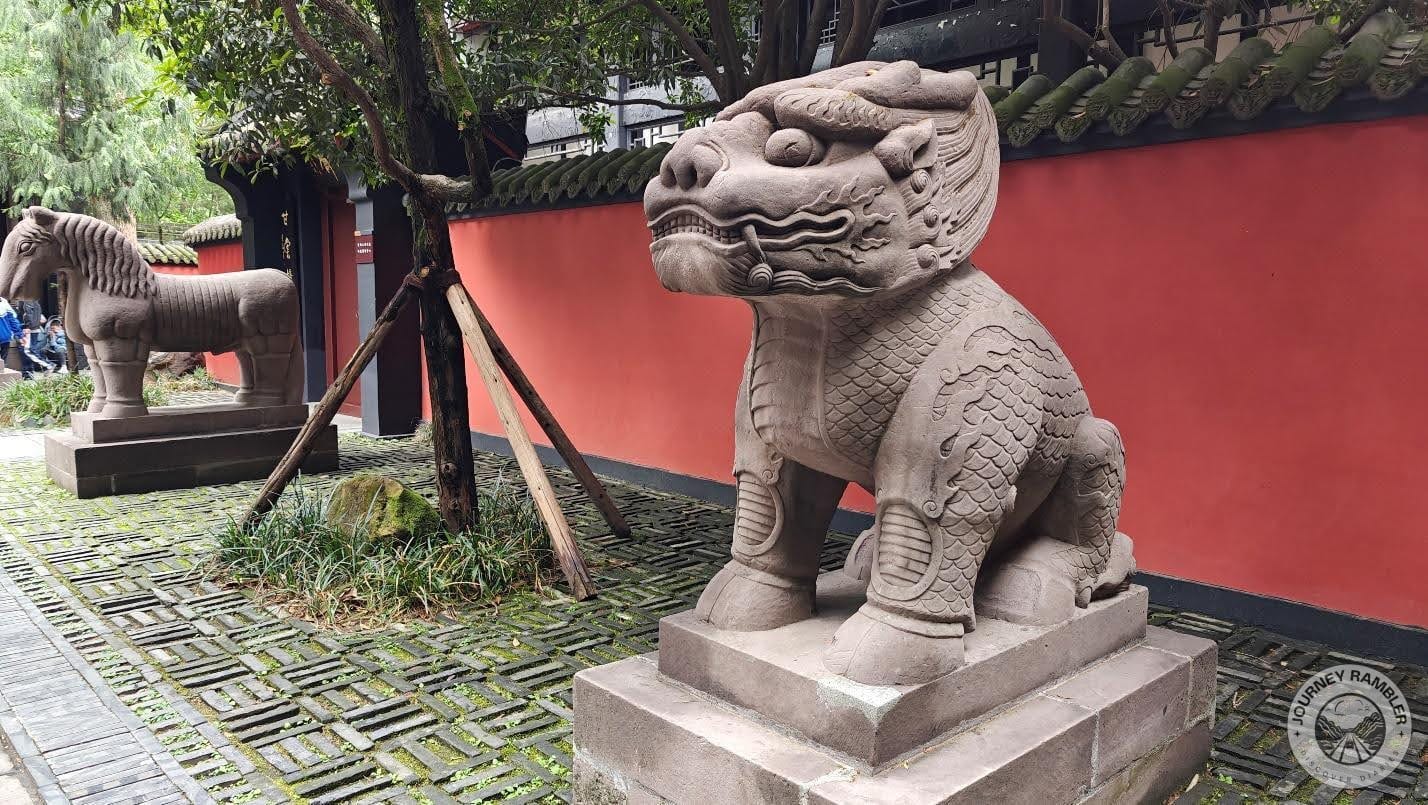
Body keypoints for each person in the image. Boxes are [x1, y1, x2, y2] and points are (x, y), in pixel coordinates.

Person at [0, 297, 22, 369]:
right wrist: (19, 335)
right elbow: (13, 322)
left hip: (4, 336)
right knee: (3, 360)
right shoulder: (5, 305)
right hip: (5, 336)